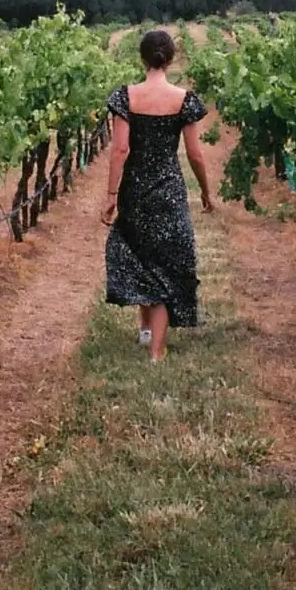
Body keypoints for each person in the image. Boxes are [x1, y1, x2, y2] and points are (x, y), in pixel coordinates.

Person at [100, 28, 214, 361]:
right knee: (165, 263)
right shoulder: (184, 100)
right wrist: (206, 191)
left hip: (135, 190)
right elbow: (194, 154)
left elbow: (120, 149)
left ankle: (147, 333)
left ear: (141, 57)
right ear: (172, 58)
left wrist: (110, 194)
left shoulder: (126, 97)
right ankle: (156, 351)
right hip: (169, 190)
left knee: (141, 255)